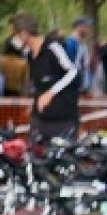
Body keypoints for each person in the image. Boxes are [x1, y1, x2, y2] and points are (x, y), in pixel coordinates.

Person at [13, 13, 82, 144]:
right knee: (32, 152)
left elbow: (73, 72)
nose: (14, 39)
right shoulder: (29, 55)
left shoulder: (53, 47)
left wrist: (50, 93)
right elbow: (39, 85)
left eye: (15, 34)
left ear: (24, 33)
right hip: (39, 119)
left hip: (63, 119)